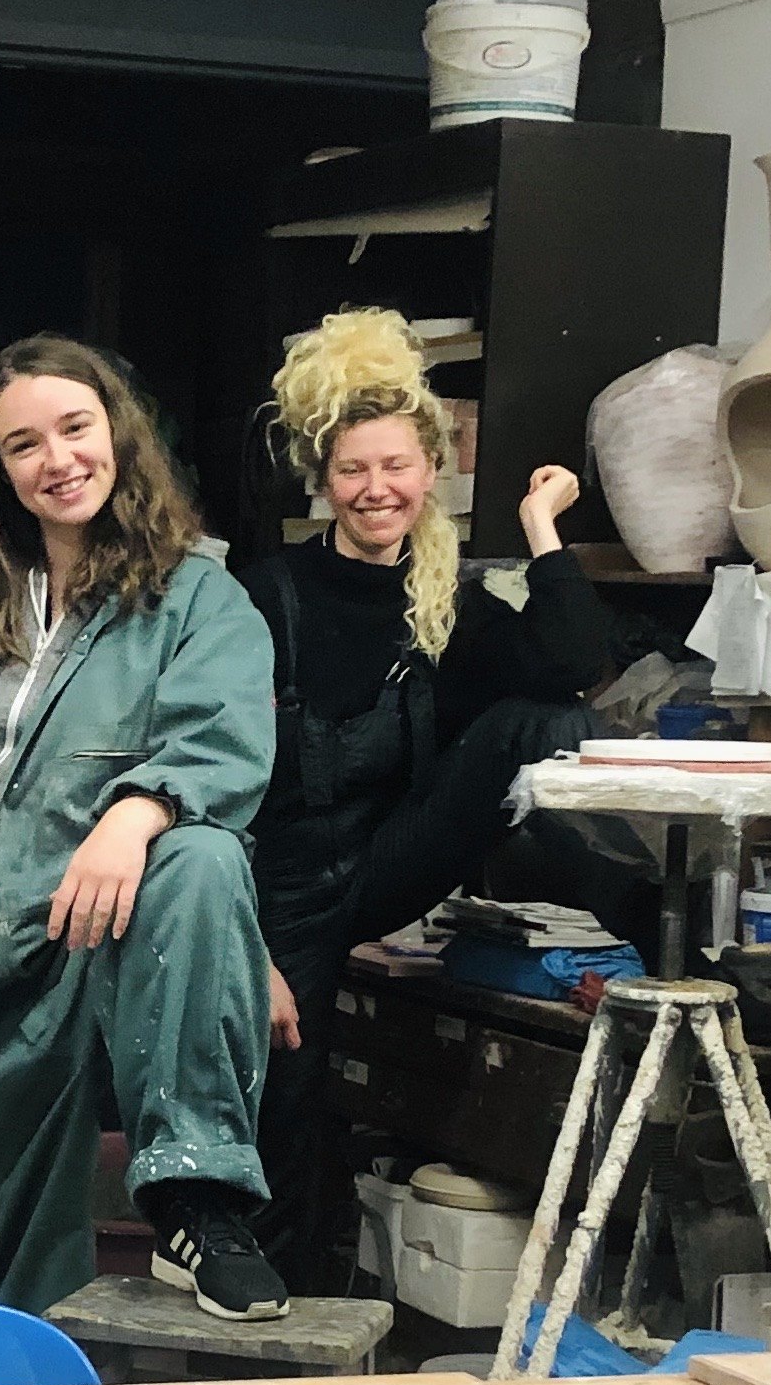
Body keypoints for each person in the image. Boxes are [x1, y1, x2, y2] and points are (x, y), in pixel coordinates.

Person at [0, 335, 282, 1323]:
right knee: (22, 1267)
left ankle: (196, 1198)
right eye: (24, 444)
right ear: (2, 470)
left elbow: (226, 742)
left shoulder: (199, 600)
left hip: (105, 920)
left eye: (75, 428)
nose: (57, 459)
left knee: (199, 852)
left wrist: (137, 809)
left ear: (117, 434)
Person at [236, 306, 613, 1290]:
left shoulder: (452, 601)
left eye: (397, 467)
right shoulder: (266, 593)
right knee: (287, 1084)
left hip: (388, 863)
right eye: (354, 470)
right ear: (322, 480)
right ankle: (297, 1286)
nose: (377, 490)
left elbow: (579, 667)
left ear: (431, 471)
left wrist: (540, 528)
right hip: (277, 887)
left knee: (536, 721)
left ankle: (613, 948)